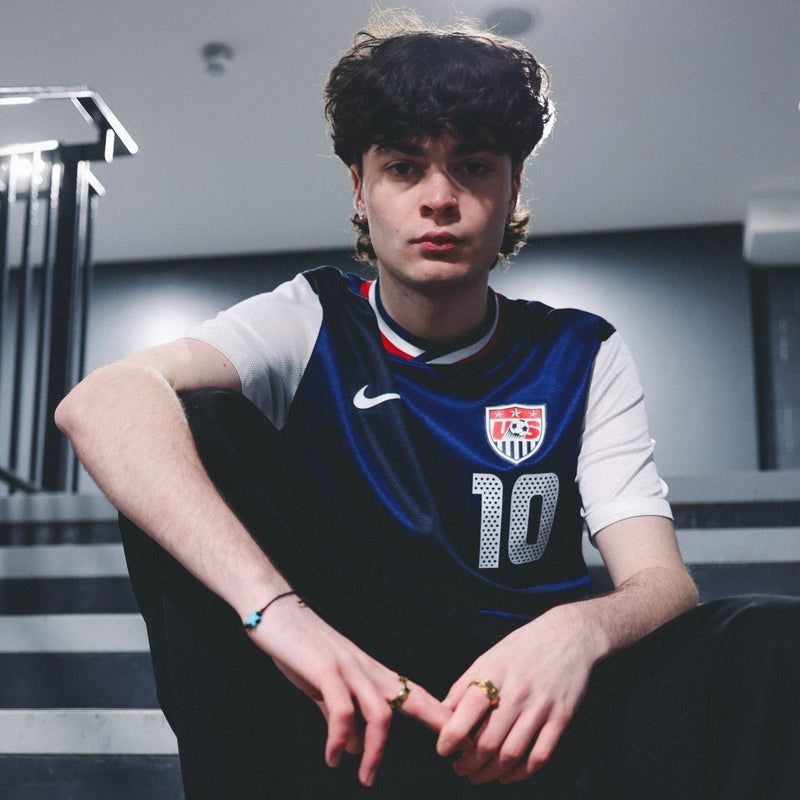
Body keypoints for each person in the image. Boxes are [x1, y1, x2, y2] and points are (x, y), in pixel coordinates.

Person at [56, 11, 800, 800]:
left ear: (512, 185)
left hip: (532, 712)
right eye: (405, 168)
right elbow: (102, 401)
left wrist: (576, 631)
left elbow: (661, 583)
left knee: (768, 638)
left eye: (473, 167)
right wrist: (279, 616)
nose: (439, 199)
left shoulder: (582, 353)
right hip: (356, 703)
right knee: (191, 422)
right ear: (361, 187)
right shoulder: (311, 316)